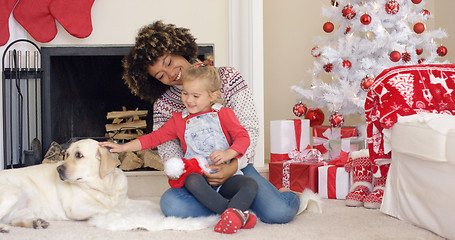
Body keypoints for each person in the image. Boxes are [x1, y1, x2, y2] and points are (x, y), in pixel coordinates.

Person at [118, 20, 305, 224]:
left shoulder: (228, 77)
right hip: (198, 178)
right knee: (171, 205)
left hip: (237, 167)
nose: (171, 73)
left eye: (169, 62)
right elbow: (168, 149)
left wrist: (232, 166)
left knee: (280, 212)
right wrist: (192, 172)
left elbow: (248, 128)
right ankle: (235, 208)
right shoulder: (163, 104)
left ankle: (281, 195)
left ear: (178, 48)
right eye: (161, 75)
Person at [100, 62, 258, 234]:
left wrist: (229, 153)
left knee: (250, 185)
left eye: (196, 96)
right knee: (191, 179)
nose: (189, 100)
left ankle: (232, 214)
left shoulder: (225, 114)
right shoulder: (179, 120)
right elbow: (154, 138)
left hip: (226, 176)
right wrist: (123, 148)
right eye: (185, 93)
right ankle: (232, 214)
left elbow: (243, 137)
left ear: (212, 96)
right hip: (201, 179)